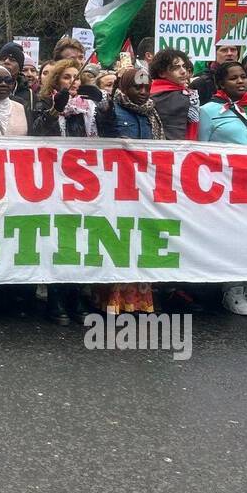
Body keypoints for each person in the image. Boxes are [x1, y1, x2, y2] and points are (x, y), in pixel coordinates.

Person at [198, 60, 247, 316]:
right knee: (235, 239)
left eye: (243, 77)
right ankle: (232, 291)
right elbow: (199, 150)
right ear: (221, 83)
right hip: (227, 186)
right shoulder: (208, 111)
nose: (241, 81)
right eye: (233, 78)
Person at [92, 68, 158, 313]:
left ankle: (137, 302)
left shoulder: (152, 112)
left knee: (140, 243)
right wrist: (106, 112)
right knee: (118, 241)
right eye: (136, 87)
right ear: (124, 87)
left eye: (146, 87)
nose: (142, 92)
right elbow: (104, 134)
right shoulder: (109, 109)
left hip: (144, 188)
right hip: (116, 187)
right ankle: (109, 301)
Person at [30, 58, 97, 137]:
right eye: (66, 77)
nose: (73, 81)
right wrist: (55, 110)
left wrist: (106, 108)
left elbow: (109, 131)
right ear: (56, 82)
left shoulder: (90, 104)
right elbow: (36, 132)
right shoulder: (45, 101)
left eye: (77, 78)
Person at [148, 48, 199, 140]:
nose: (183, 71)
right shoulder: (151, 96)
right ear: (161, 73)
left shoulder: (185, 93)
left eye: (184, 66)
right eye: (176, 68)